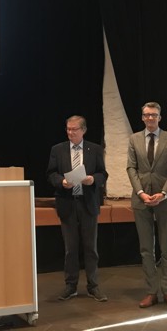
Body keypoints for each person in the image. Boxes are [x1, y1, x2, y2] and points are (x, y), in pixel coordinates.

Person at [126, 102, 167, 310]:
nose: (150, 118)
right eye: (147, 115)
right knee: (146, 249)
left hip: (164, 200)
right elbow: (131, 168)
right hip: (141, 200)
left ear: (160, 117)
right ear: (142, 117)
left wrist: (164, 193)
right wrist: (141, 193)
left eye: (154, 115)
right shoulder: (134, 139)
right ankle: (151, 291)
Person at [47, 115, 109, 302]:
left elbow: (103, 173)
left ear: (84, 130)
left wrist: (93, 179)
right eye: (68, 129)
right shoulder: (58, 149)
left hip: (87, 203)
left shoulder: (94, 149)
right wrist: (62, 182)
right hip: (67, 203)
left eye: (74, 129)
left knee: (91, 248)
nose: (70, 132)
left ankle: (93, 286)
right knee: (70, 249)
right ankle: (71, 286)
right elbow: (51, 173)